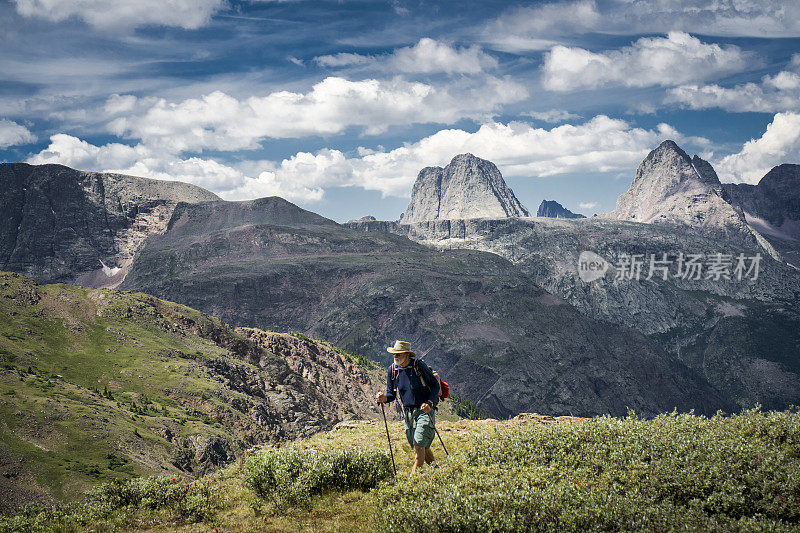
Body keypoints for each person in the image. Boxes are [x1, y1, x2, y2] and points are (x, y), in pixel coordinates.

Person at [375, 340, 440, 473]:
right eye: (394, 354)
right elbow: (391, 394)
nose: (395, 357)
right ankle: (437, 471)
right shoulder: (393, 370)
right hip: (408, 413)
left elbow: (435, 386)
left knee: (418, 444)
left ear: (407, 355)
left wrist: (429, 403)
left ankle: (413, 479)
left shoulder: (418, 366)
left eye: (398, 354)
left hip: (424, 410)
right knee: (422, 446)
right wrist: (383, 398)